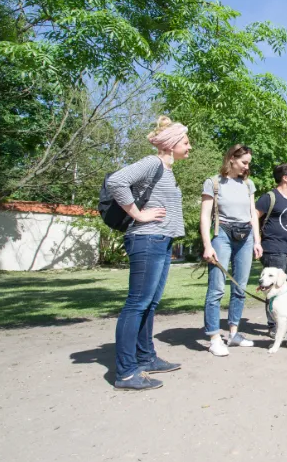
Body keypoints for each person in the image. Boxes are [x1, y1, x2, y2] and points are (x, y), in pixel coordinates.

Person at [106, 116, 190, 391]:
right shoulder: (152, 163)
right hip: (146, 239)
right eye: (186, 142)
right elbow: (117, 181)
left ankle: (146, 357)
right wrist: (137, 214)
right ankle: (127, 372)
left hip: (161, 240)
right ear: (173, 144)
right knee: (137, 304)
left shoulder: (166, 170)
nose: (190, 148)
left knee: (149, 304)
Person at [200, 144, 263, 357]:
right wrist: (208, 245)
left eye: (248, 163)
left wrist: (257, 240)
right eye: (244, 162)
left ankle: (234, 333)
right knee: (217, 288)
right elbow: (205, 216)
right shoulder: (214, 183)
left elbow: (253, 214)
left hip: (246, 236)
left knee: (240, 287)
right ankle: (214, 337)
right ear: (232, 159)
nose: (247, 167)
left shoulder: (248, 185)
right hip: (223, 233)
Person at [255, 163, 287, 338]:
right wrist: (257, 241)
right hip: (274, 250)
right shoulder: (269, 197)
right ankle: (274, 326)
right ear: (285, 177)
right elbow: (254, 215)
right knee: (273, 289)